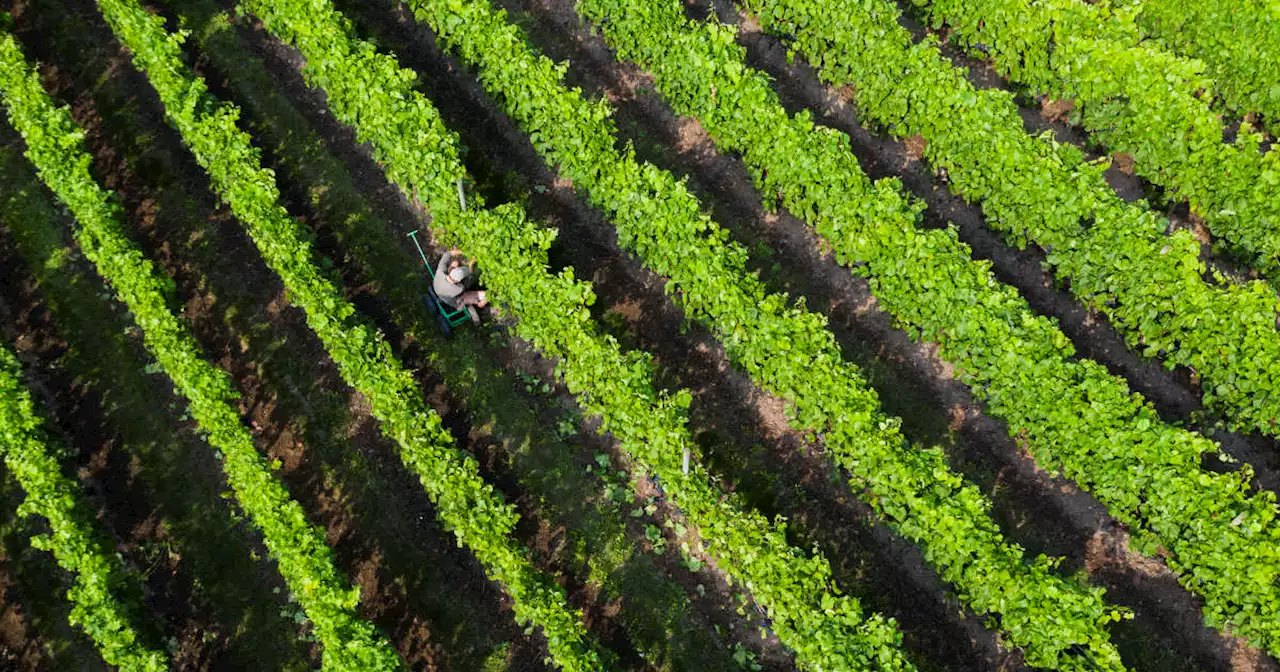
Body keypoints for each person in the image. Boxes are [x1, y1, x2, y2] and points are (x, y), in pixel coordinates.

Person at [433, 249, 487, 321]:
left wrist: (464, 251)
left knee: (455, 262)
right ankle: (479, 308)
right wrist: (471, 265)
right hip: (457, 301)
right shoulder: (459, 289)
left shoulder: (440, 272)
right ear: (458, 281)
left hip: (437, 287)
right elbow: (470, 278)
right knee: (484, 295)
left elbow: (447, 254)